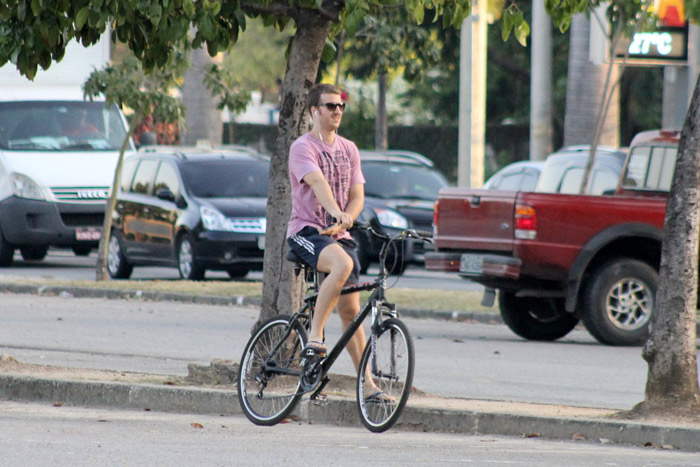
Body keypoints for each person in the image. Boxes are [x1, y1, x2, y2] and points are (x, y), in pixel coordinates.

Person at [286, 83, 390, 402]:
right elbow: (316, 182)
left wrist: (347, 215)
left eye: (341, 106)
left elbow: (357, 195)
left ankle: (368, 385)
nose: (337, 111)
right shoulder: (302, 147)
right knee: (342, 265)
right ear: (315, 111)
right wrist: (334, 212)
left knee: (351, 310)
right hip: (306, 233)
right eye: (330, 106)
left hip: (339, 236)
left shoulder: (349, 149)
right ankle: (315, 337)